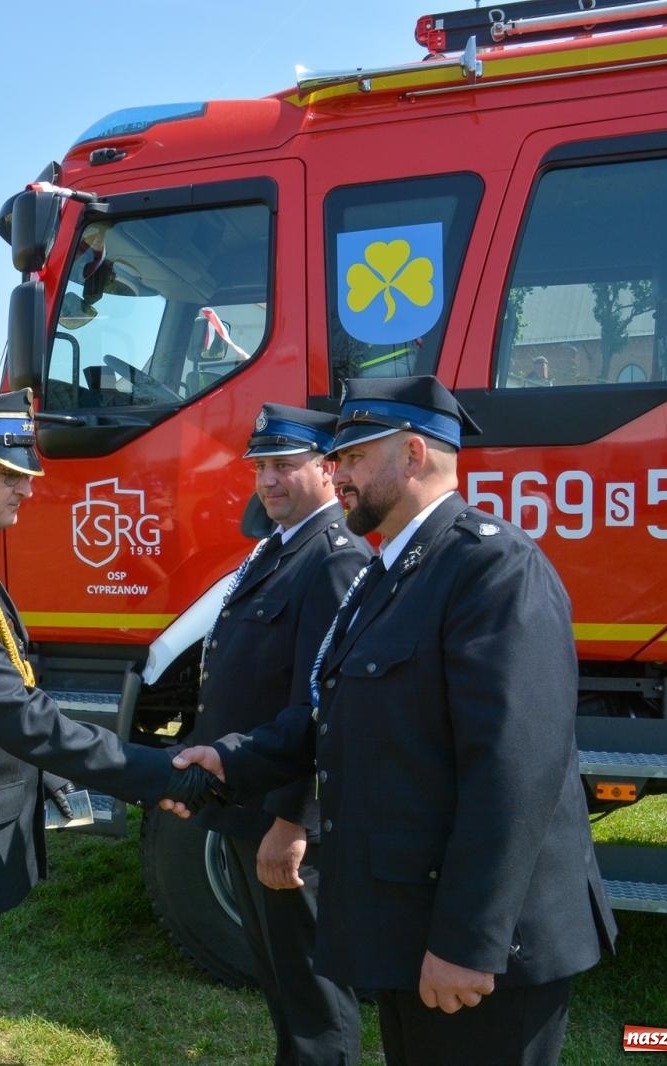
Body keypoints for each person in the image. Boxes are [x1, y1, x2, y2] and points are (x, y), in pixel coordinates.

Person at [169, 376, 615, 1066]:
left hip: (489, 950)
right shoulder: (393, 568)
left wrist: (468, 942)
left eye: (353, 457)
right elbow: (338, 715)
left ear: (412, 454)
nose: (338, 473)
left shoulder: (492, 566)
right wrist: (234, 758)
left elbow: (514, 772)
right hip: (413, 923)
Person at [0, 390, 217, 1066]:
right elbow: (21, 716)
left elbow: (12, 693)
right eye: (8, 474)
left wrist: (53, 778)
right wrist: (157, 774)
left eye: (25, 475)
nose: (26, 489)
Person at [192, 403, 368, 1065]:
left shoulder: (332, 559)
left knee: (312, 993)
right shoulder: (281, 546)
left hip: (282, 816)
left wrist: (294, 821)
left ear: (327, 469)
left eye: (284, 466)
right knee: (281, 979)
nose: (267, 480)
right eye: (259, 467)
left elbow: (325, 708)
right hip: (249, 804)